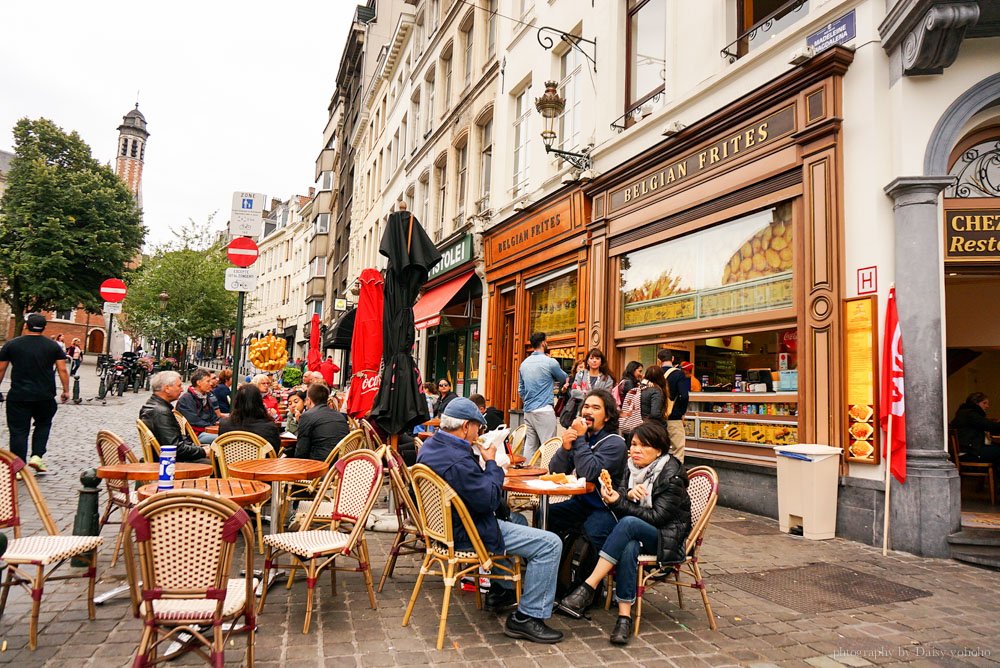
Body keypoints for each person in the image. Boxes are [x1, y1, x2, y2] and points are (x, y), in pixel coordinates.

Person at [416, 397, 564, 644]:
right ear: (466, 427)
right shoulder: (457, 459)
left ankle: (502, 590)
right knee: (550, 543)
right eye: (478, 427)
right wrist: (492, 463)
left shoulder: (431, 448)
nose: (479, 433)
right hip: (469, 532)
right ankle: (527, 617)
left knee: (516, 518)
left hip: (444, 529)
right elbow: (490, 500)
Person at [556, 421, 691, 644]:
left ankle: (589, 585)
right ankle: (624, 618)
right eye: (635, 444)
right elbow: (619, 492)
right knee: (627, 546)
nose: (636, 450)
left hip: (664, 538)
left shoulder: (671, 475)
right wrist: (626, 495)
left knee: (627, 524)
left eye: (644, 446)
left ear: (659, 450)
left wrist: (623, 502)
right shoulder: (631, 466)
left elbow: (658, 518)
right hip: (636, 535)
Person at [547, 390, 627, 555]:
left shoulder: (615, 443)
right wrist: (565, 448)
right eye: (586, 406)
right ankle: (552, 561)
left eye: (596, 408)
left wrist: (580, 439)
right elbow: (555, 471)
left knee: (590, 535)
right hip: (581, 503)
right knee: (547, 516)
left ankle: (583, 576)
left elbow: (589, 472)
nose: (588, 411)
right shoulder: (583, 438)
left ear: (607, 416)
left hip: (605, 508)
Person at [0, 314, 70, 472]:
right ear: (45, 327)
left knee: (18, 430)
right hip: (44, 395)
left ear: (26, 326)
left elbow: (1, 369)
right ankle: (37, 456)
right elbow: (62, 370)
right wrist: (66, 390)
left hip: (19, 395)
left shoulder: (11, 345)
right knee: (43, 424)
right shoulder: (53, 347)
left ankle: (18, 468)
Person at [139, 371, 211, 464]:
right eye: (179, 386)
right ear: (167, 388)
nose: (181, 389)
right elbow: (175, 448)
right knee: (218, 463)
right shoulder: (161, 412)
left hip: (165, 458)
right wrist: (203, 451)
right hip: (168, 463)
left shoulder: (154, 406)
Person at [517, 332, 568, 460]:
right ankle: (548, 475)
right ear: (544, 343)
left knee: (530, 446)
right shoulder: (550, 362)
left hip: (528, 411)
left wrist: (529, 400)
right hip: (544, 409)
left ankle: (526, 475)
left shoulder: (524, 364)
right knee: (549, 446)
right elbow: (564, 378)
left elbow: (520, 390)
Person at [293, 383, 350, 462]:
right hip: (341, 463)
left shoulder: (307, 416)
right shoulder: (340, 416)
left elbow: (301, 452)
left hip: (319, 465)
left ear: (309, 400)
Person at [219, 384, 282, 452]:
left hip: (230, 462)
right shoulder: (270, 428)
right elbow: (274, 452)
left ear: (237, 402)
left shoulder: (224, 425)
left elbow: (220, 450)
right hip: (261, 462)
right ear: (260, 402)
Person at [657, 349, 689, 461]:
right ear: (673, 359)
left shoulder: (654, 374)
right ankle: (676, 474)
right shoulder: (679, 374)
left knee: (658, 449)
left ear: (659, 360)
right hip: (673, 416)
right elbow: (684, 396)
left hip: (657, 418)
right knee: (678, 449)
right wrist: (682, 412)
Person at [951, 392, 1000, 465]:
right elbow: (989, 425)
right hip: (970, 452)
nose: (987, 406)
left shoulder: (964, 412)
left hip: (967, 450)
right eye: (984, 403)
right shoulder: (971, 414)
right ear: (976, 403)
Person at [175, 369, 219, 444]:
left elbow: (214, 417)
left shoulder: (206, 396)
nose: (210, 384)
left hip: (206, 431)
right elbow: (194, 421)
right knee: (224, 439)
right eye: (207, 381)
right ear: (198, 383)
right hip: (194, 435)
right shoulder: (186, 399)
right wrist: (211, 426)